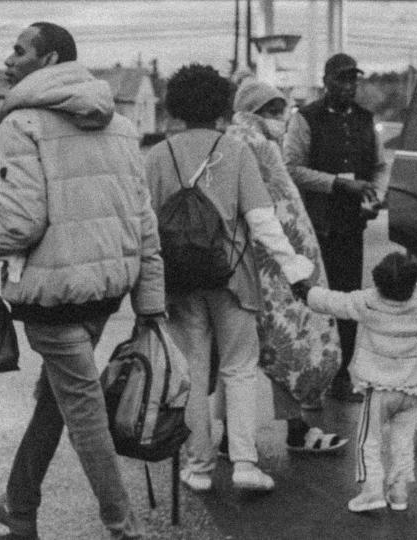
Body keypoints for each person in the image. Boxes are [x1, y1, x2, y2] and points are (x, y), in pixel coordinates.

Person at [0, 22, 161, 539]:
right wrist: (150, 302)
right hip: (104, 291)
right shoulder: (118, 125)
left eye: (19, 51)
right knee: (57, 398)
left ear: (48, 61)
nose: (9, 60)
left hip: (53, 296)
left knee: (83, 411)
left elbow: (20, 223)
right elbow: (143, 220)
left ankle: (122, 524)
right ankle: (20, 507)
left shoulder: (22, 123)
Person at [143, 64, 314, 493]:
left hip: (179, 281)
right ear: (222, 106)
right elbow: (262, 219)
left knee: (194, 372)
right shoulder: (234, 151)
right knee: (239, 368)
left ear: (176, 106)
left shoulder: (157, 156)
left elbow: (142, 226)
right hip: (234, 277)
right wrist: (294, 268)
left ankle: (198, 466)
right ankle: (243, 462)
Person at [221, 78, 346, 453]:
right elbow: (280, 206)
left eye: (282, 110)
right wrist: (296, 260)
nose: (281, 118)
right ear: (253, 112)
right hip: (272, 263)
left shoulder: (232, 141)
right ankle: (292, 431)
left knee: (242, 349)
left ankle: (234, 437)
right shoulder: (258, 145)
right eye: (273, 111)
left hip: (244, 258)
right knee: (284, 340)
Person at [292, 252, 417, 512]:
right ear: (413, 281)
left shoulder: (369, 302)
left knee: (369, 442)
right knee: (402, 443)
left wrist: (304, 290)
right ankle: (399, 492)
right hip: (412, 389)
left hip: (378, 390)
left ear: (379, 283)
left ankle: (371, 490)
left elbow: (332, 302)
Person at [284, 52, 389, 402]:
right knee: (314, 303)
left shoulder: (364, 119)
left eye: (353, 80)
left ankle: (343, 376)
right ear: (326, 81)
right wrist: (338, 184)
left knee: (347, 301)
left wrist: (375, 197)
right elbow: (292, 168)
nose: (349, 86)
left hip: (350, 225)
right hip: (316, 225)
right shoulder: (306, 118)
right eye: (342, 80)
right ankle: (313, 380)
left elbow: (377, 167)